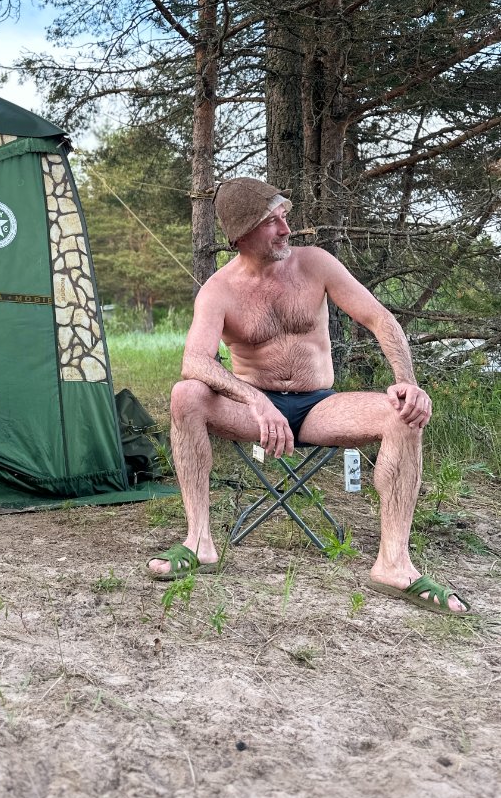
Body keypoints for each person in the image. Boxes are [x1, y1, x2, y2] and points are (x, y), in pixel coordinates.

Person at [147, 177, 472, 616]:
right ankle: (198, 542)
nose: (285, 229)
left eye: (284, 216)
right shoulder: (219, 290)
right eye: (271, 221)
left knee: (402, 414)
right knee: (185, 394)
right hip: (255, 412)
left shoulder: (316, 263)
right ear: (240, 235)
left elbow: (379, 318)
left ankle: (394, 564)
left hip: (319, 406)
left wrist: (407, 382)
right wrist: (256, 401)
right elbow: (195, 362)